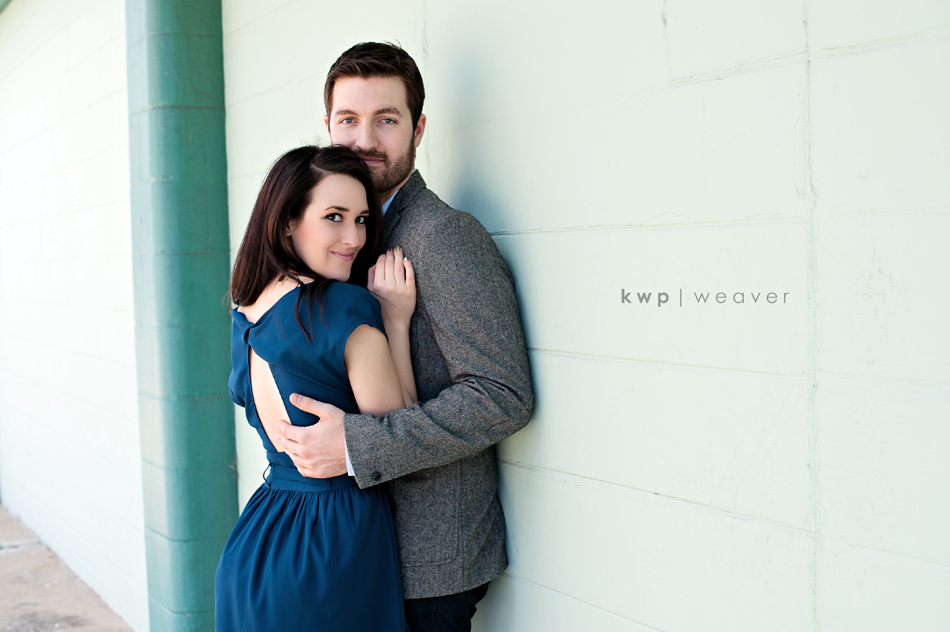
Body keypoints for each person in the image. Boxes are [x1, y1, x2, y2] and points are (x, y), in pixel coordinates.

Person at [276, 43, 534, 631]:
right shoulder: (339, 234)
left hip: (425, 562)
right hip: (352, 545)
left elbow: (502, 395)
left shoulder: (442, 236)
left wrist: (355, 445)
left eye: (386, 120)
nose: (363, 140)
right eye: (348, 119)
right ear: (327, 126)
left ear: (417, 130)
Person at [215, 144, 417, 631]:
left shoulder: (246, 313)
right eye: (334, 217)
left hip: (257, 541)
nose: (354, 238)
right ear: (287, 221)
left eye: (362, 219)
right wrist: (396, 320)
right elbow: (401, 436)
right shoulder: (343, 309)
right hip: (330, 543)